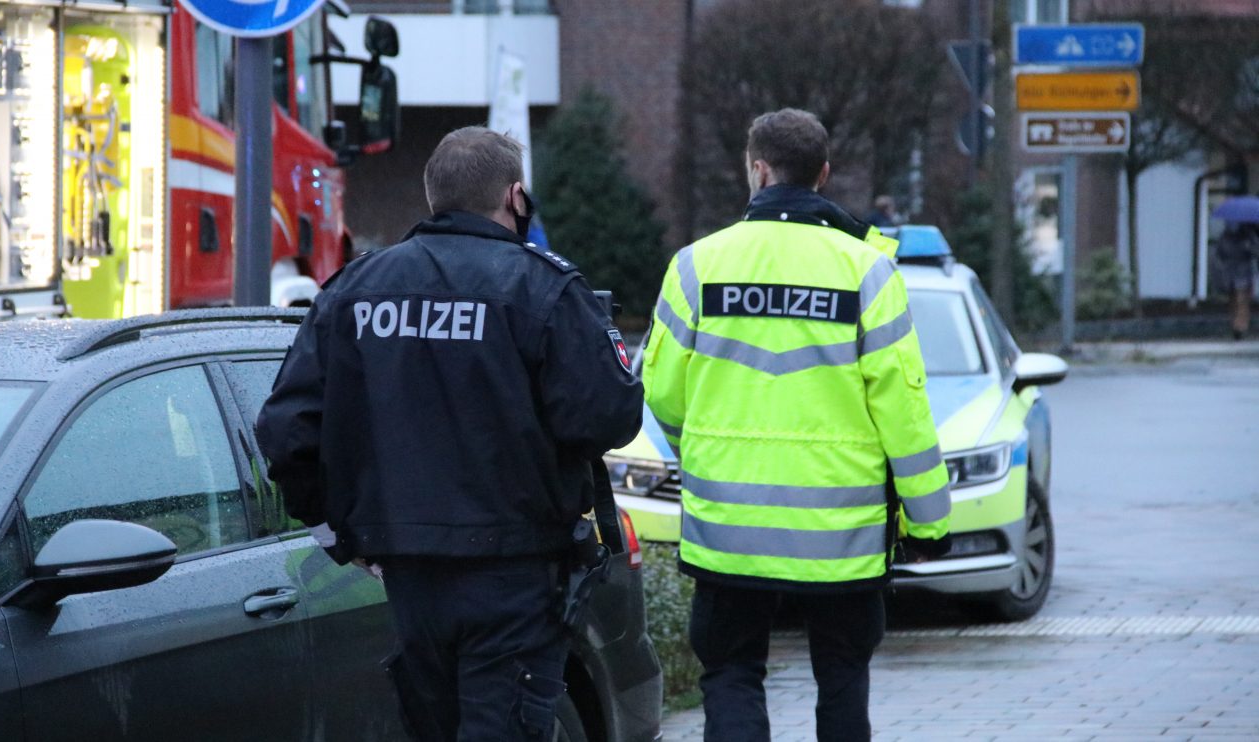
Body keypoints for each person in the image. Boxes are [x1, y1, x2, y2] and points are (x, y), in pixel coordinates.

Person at [255, 126, 644, 741]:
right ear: (516, 197)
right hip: (515, 572)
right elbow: (610, 417)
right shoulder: (544, 286)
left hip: (407, 574)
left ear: (433, 196)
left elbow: (286, 430)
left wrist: (335, 530)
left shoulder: (354, 291)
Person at [642, 108, 950, 742]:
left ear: (757, 170)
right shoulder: (868, 272)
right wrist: (930, 522)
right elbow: (904, 411)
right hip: (841, 538)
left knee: (730, 673)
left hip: (728, 529)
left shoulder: (696, 267)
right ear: (825, 175)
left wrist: (702, 454)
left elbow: (663, 396)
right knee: (841, 677)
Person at [1215, 222, 1258, 340]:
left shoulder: (1225, 236)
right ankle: (1240, 326)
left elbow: (1219, 253)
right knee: (1242, 301)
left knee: (1235, 301)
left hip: (1230, 273)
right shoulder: (1248, 236)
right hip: (1243, 273)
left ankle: (1236, 325)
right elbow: (1255, 251)